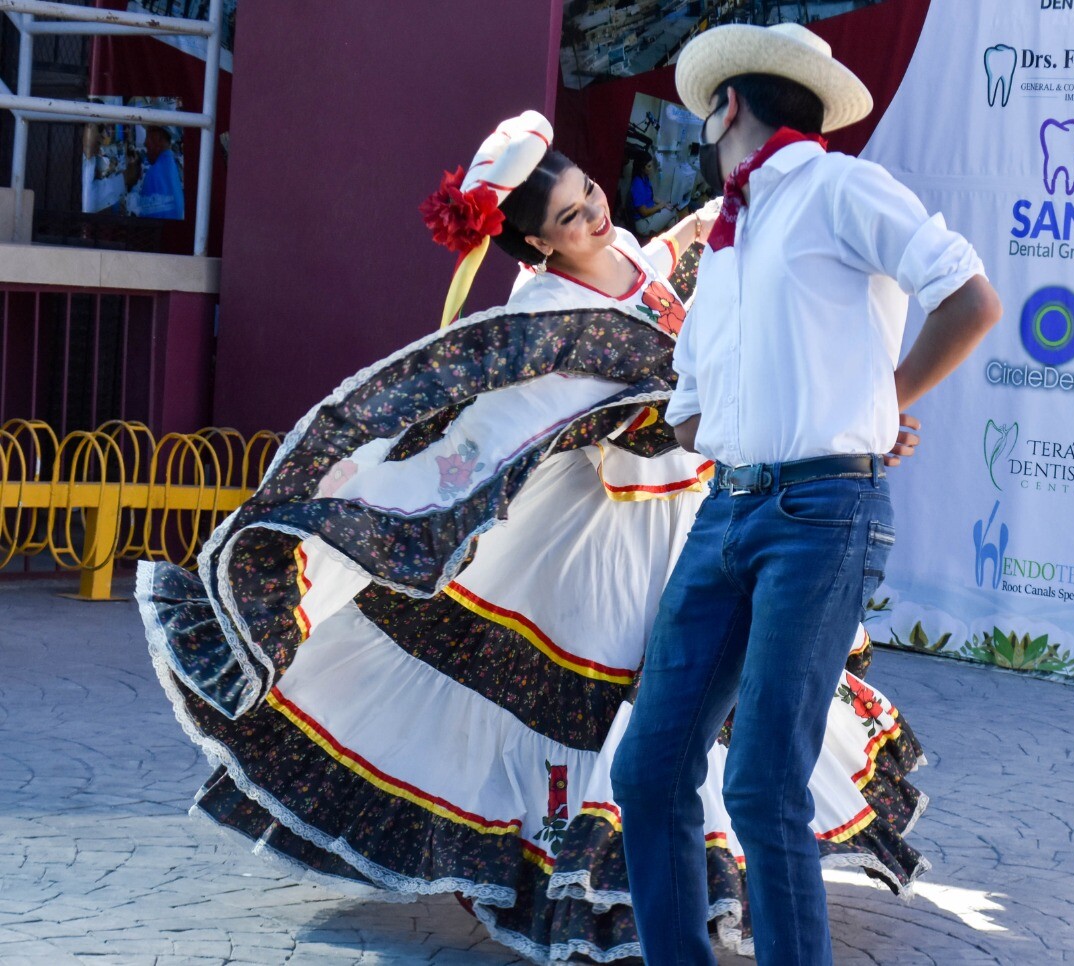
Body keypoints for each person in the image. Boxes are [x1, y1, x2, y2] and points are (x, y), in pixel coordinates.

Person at [136, 110, 930, 963]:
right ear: (538, 248)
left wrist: (725, 236)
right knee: (628, 710)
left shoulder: (625, 249)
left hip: (696, 510)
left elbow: (667, 263)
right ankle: (605, 895)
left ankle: (712, 881)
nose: (593, 215)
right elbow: (483, 434)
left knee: (713, 705)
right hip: (606, 541)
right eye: (570, 218)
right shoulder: (543, 318)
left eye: (589, 194)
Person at [611, 23, 1003, 966]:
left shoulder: (839, 187)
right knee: (650, 768)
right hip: (729, 507)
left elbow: (972, 298)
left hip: (823, 511)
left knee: (761, 785)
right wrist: (819, 403)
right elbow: (695, 414)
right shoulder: (729, 242)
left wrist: (876, 402)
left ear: (728, 107)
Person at [134, 126, 184, 220]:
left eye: (147, 135)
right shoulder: (171, 166)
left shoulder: (155, 173)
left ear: (158, 137)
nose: (145, 143)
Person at [628, 154, 677, 237]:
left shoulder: (645, 178)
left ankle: (669, 240)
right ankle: (671, 240)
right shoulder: (637, 184)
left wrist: (664, 204)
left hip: (650, 215)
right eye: (649, 166)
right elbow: (644, 212)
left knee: (670, 211)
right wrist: (660, 206)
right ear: (642, 168)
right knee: (672, 213)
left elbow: (651, 196)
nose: (651, 169)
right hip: (643, 223)